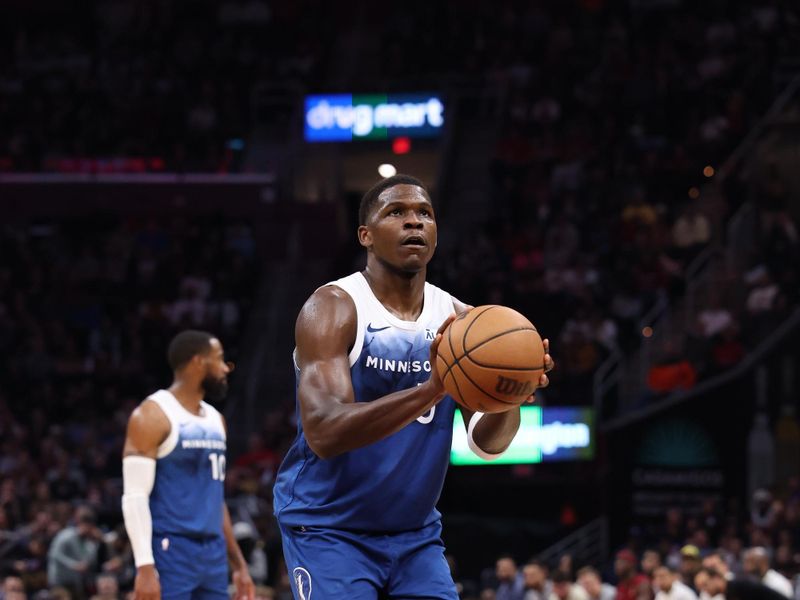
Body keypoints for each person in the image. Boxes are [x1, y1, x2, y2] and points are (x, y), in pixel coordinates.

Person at [272, 175, 554, 598]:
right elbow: (325, 432)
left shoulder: (464, 321)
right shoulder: (333, 307)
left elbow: (488, 445)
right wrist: (431, 389)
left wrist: (508, 391)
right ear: (365, 235)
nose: (414, 222)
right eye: (397, 213)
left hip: (415, 534)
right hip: (329, 527)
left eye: (425, 213)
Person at [121, 330, 254, 600]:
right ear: (198, 363)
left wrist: (238, 565)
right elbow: (134, 496)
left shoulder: (217, 421)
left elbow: (216, 500)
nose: (226, 368)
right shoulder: (152, 415)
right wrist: (144, 567)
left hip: (213, 553)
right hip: (171, 550)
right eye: (219, 359)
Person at [46, 507, 102, 600]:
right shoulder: (66, 535)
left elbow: (90, 560)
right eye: (86, 526)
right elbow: (54, 554)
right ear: (80, 524)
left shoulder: (89, 542)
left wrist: (96, 543)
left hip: (75, 581)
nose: (88, 530)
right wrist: (73, 565)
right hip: (59, 580)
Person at [700, 568, 790, 600]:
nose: (704, 590)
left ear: (716, 578)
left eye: (705, 585)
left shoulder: (739, 586)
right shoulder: (729, 592)